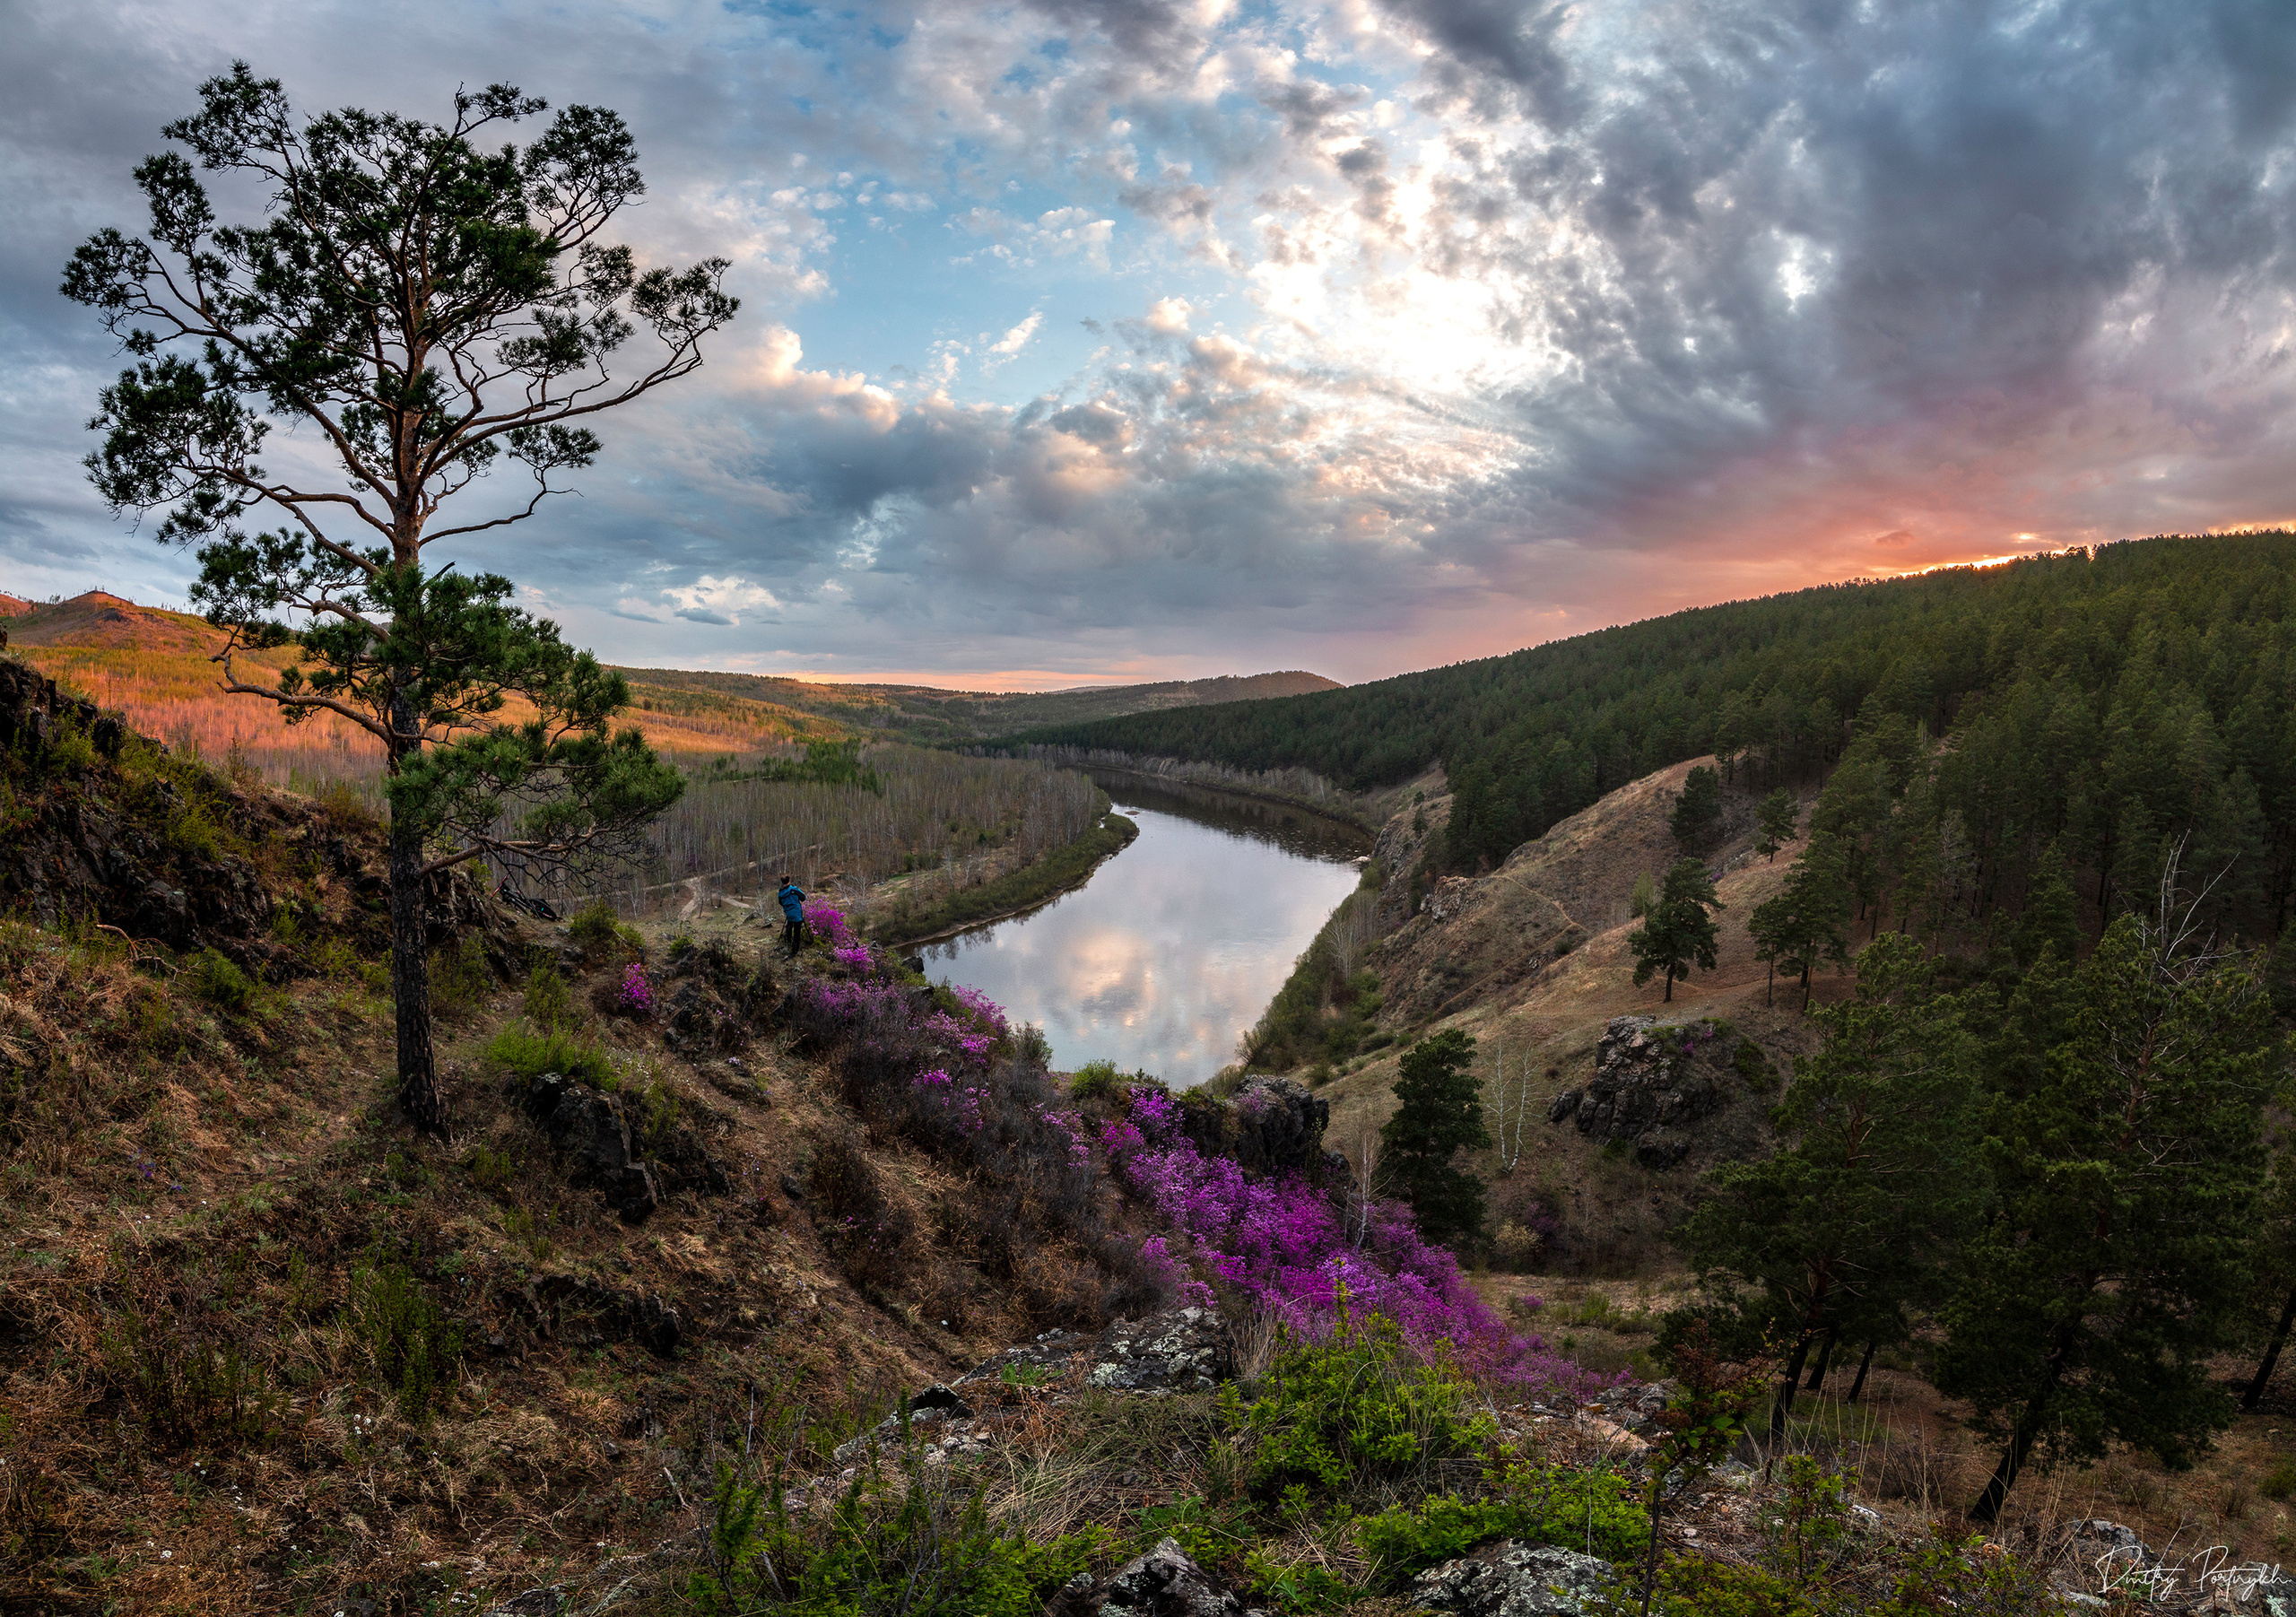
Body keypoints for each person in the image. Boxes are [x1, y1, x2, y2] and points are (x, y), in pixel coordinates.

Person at [777, 874, 808, 956]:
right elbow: (803, 898)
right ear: (789, 880)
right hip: (797, 913)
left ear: (782, 882)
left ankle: (788, 942)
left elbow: (780, 902)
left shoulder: (780, 892)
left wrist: (787, 906)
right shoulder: (794, 889)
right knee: (797, 932)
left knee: (789, 926)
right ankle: (795, 950)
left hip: (788, 913)